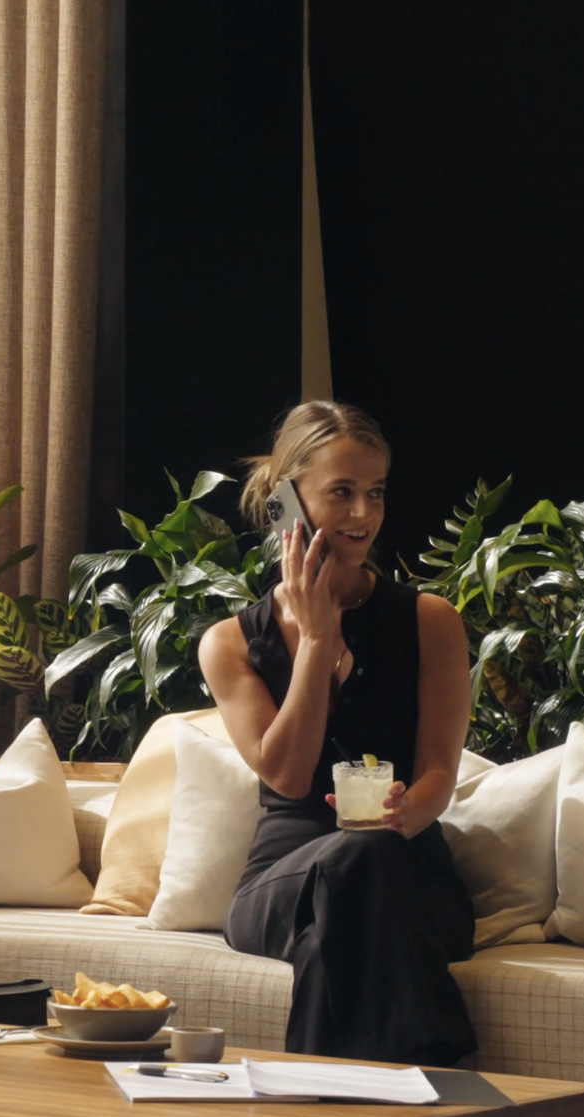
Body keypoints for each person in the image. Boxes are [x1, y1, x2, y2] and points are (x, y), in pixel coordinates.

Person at [199, 400, 477, 1065]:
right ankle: (438, 1076)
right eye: (342, 493)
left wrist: (412, 810)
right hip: (284, 879)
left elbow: (439, 768)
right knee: (352, 864)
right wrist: (318, 638)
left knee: (361, 878)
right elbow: (289, 774)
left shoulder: (430, 621)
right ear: (289, 503)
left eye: (375, 493)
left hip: (409, 866)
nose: (362, 514)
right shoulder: (231, 643)